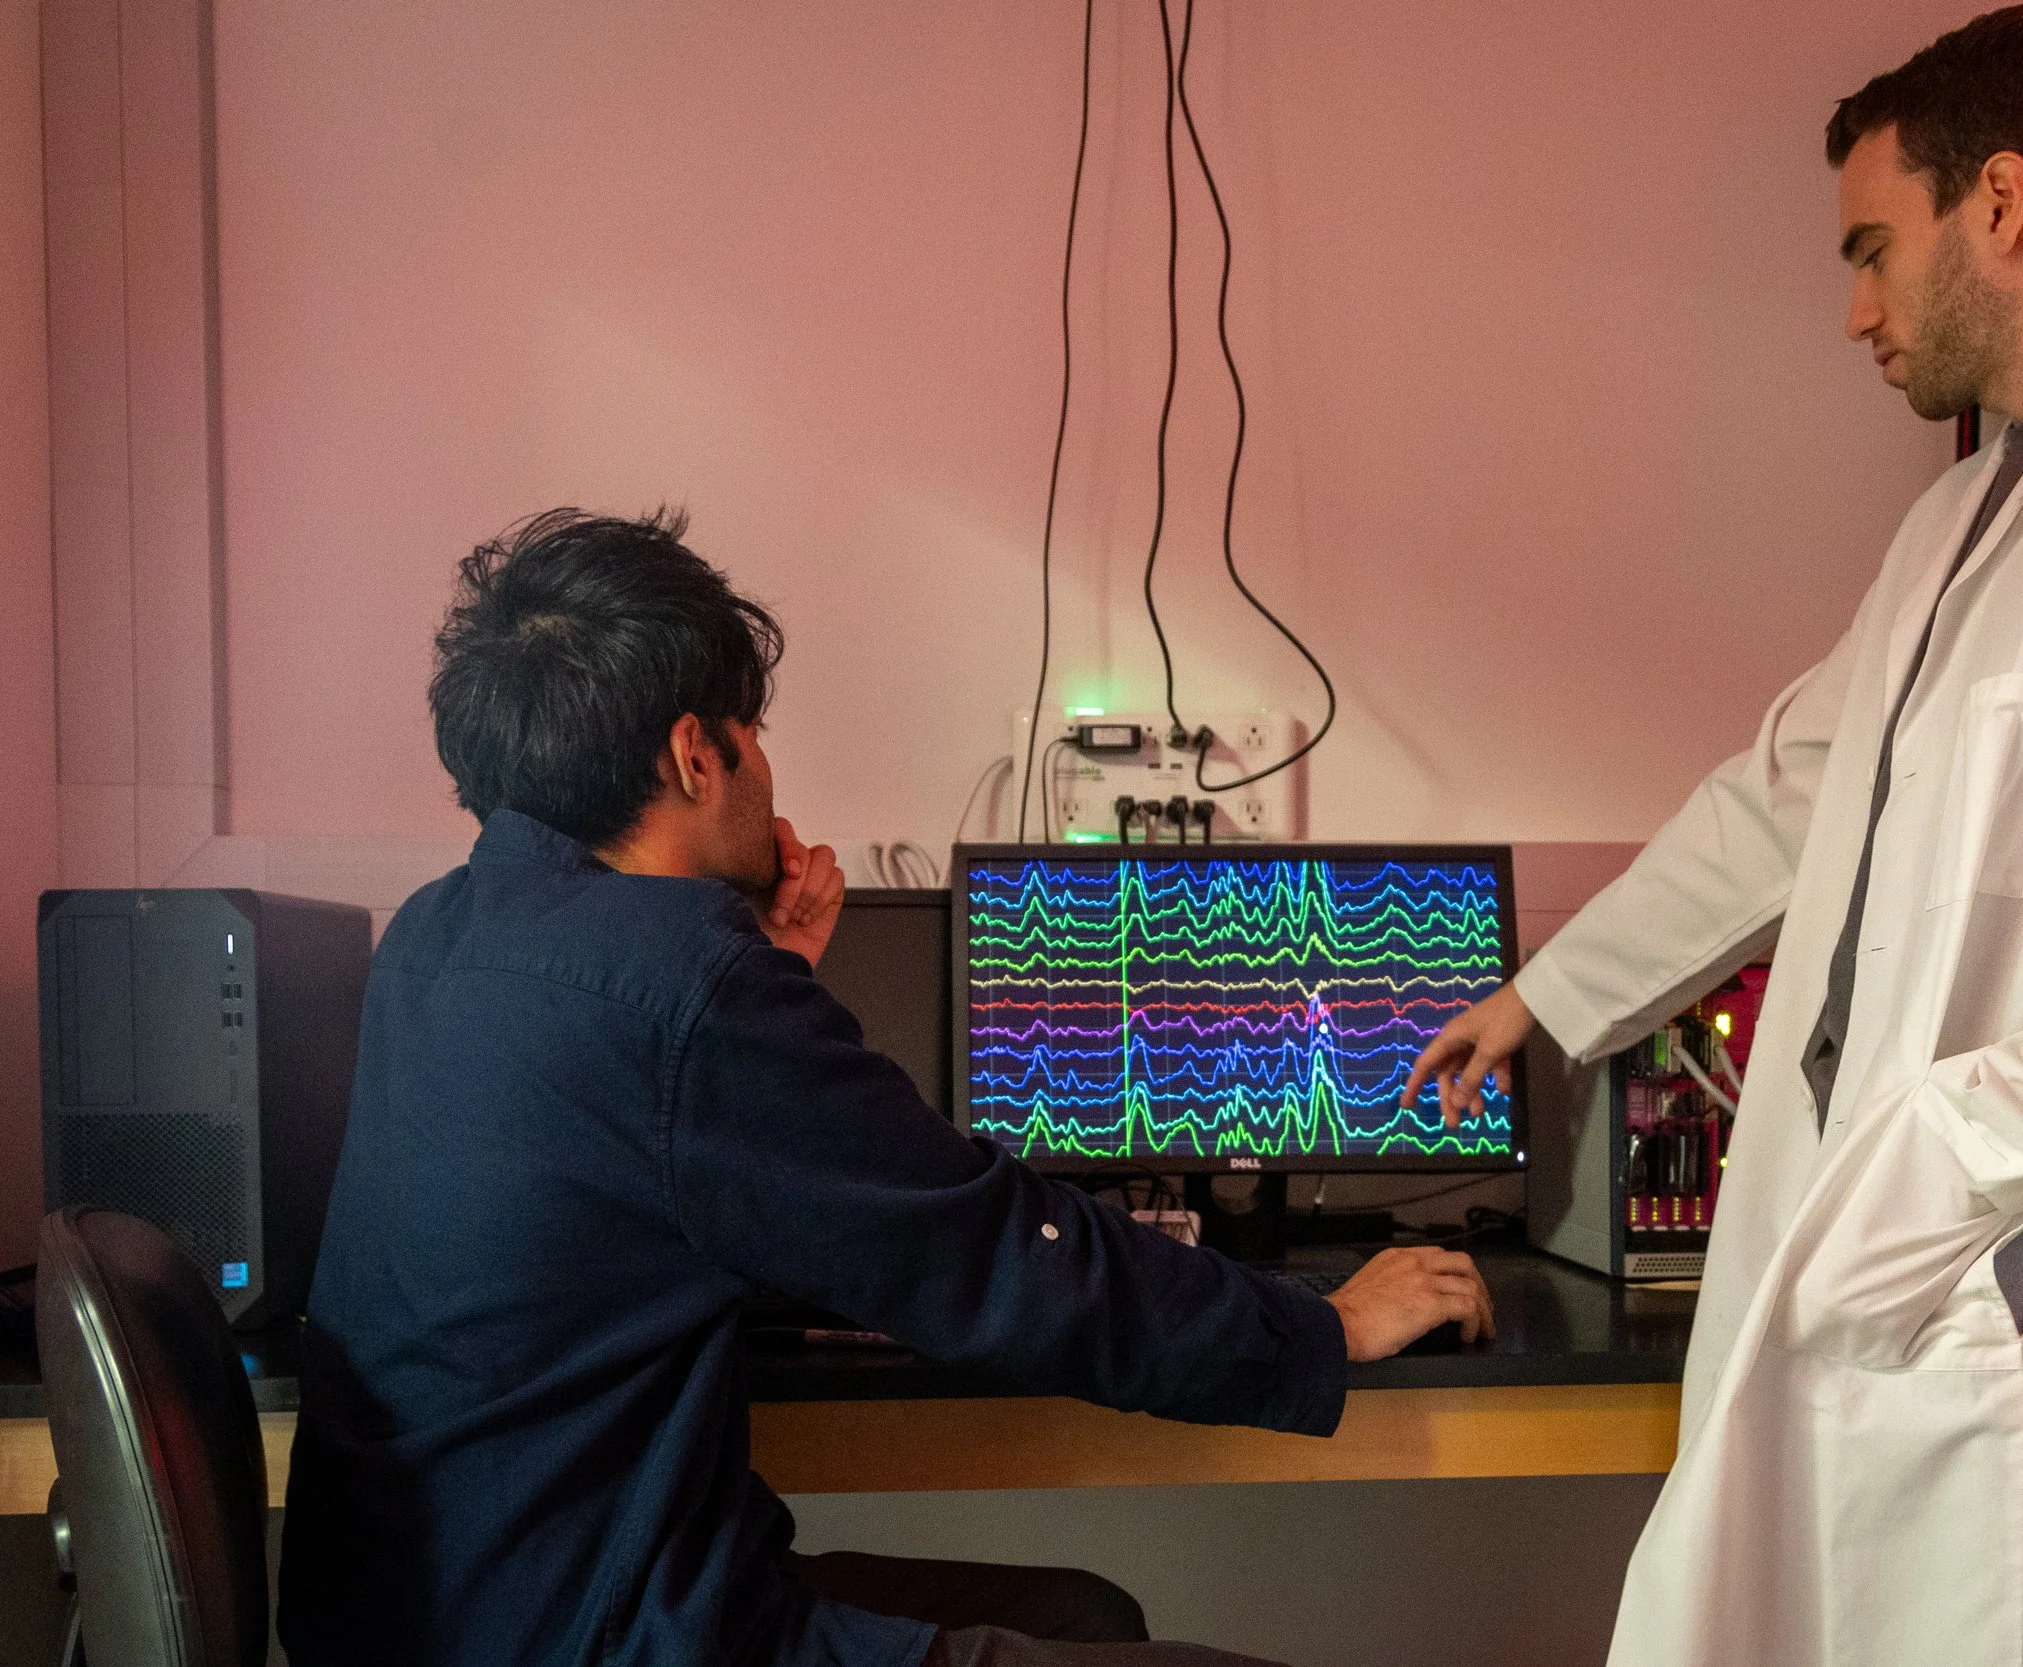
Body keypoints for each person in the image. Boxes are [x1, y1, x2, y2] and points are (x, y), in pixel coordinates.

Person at [1404, 9, 2023, 1665]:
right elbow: (1793, 787)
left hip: (2015, 1275)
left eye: (1873, 248)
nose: (1853, 308)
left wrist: (1952, 1157)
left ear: (1999, 199)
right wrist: (1555, 994)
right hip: (1861, 1241)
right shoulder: (1958, 520)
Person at [276, 508, 1495, 1667]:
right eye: (753, 735)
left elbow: (630, 1202)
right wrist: (1319, 1325)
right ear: (698, 752)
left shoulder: (439, 936)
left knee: (1088, 1611)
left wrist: (765, 977)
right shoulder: (683, 991)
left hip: (452, 1613)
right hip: (610, 1631)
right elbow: (999, 1255)